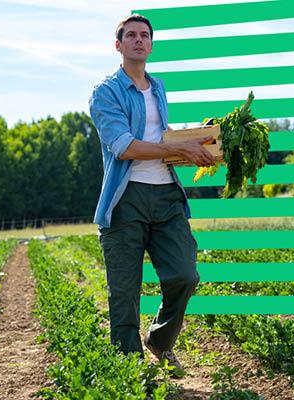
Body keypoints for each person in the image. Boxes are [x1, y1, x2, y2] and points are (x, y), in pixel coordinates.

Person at [88, 14, 216, 379]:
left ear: (151, 45)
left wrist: (199, 140)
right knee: (124, 293)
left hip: (166, 196)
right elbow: (124, 146)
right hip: (125, 199)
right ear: (119, 45)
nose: (139, 41)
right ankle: (131, 372)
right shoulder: (105, 92)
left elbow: (162, 133)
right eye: (131, 35)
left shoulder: (157, 87)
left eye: (145, 36)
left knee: (185, 274)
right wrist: (180, 149)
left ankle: (160, 341)